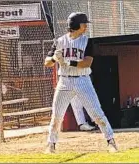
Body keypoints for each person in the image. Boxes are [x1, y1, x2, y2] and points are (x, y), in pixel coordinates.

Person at [44, 12, 118, 153]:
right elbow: (46, 63)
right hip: (64, 81)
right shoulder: (59, 42)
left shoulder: (87, 41)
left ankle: (111, 141)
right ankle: (51, 145)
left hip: (83, 81)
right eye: (84, 24)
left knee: (97, 114)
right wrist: (54, 58)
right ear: (76, 25)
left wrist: (67, 61)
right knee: (57, 116)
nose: (86, 27)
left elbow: (87, 63)